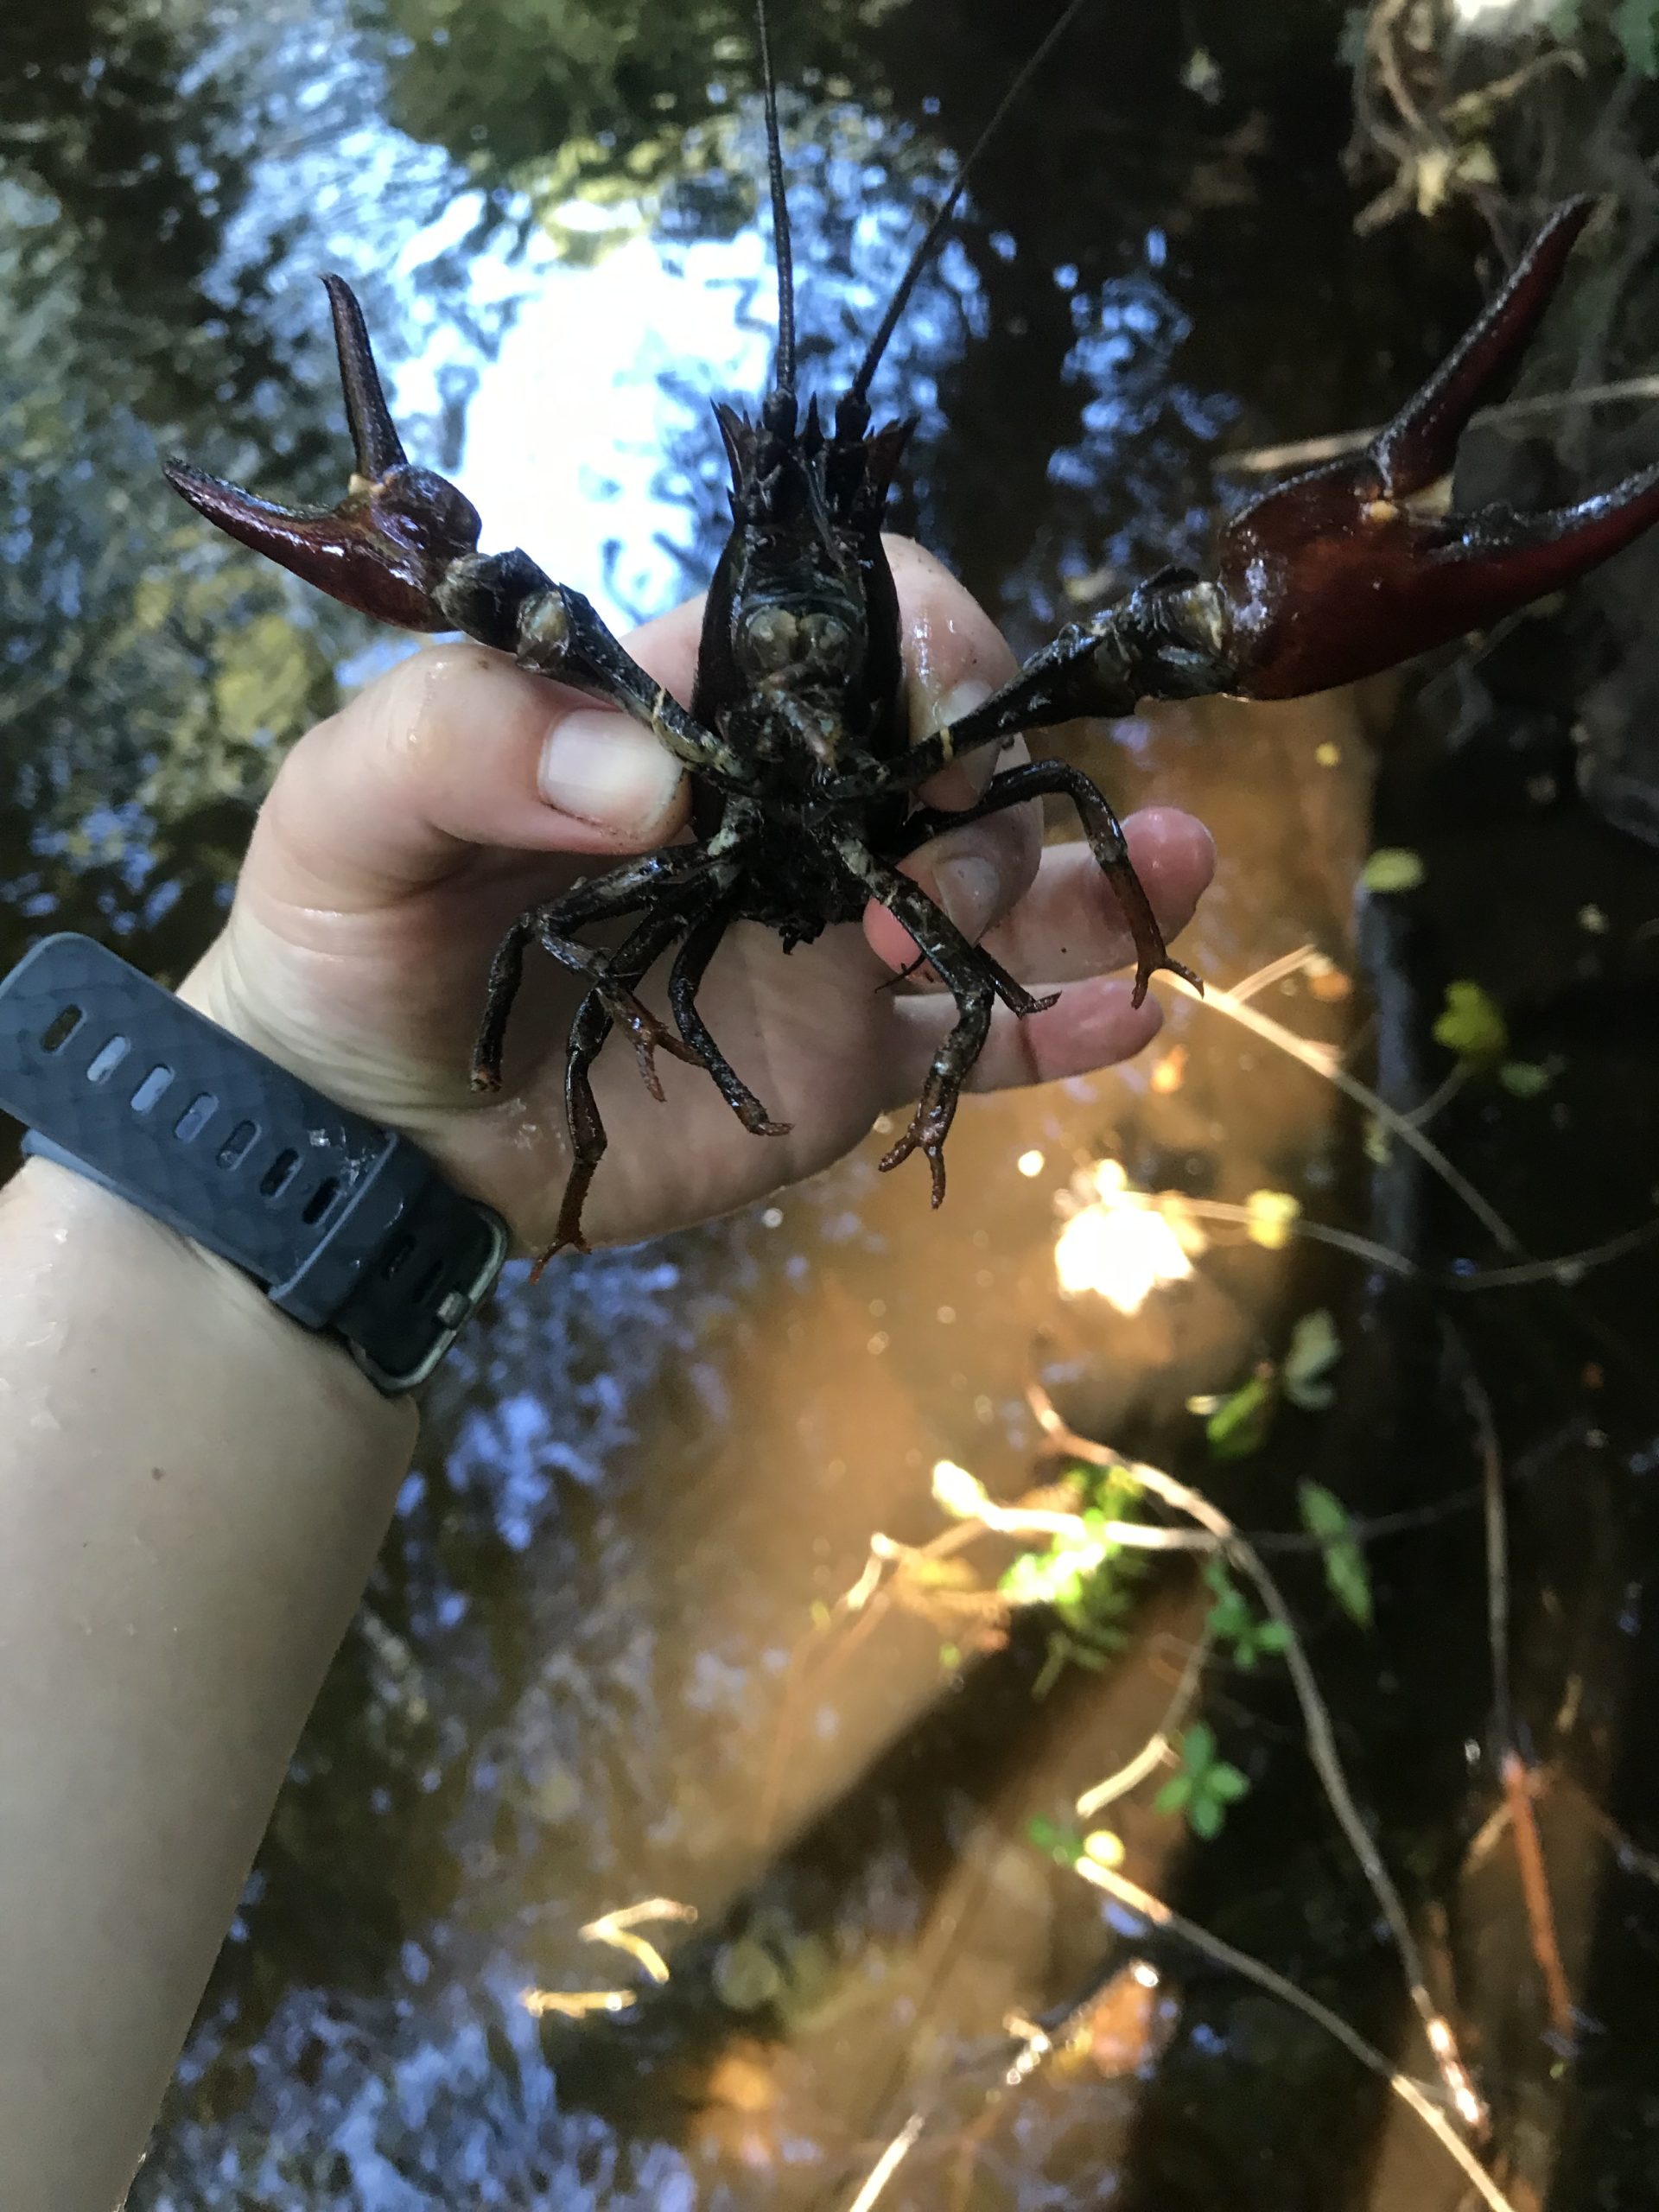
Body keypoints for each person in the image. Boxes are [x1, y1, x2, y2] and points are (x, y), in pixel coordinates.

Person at [0, 537, 1212, 2211]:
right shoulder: (627, 808)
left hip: (619, 1020)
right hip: (649, 957)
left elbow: (1053, 772)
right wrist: (369, 1098)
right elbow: (549, 974)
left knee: (1055, 757)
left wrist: (317, 1091)